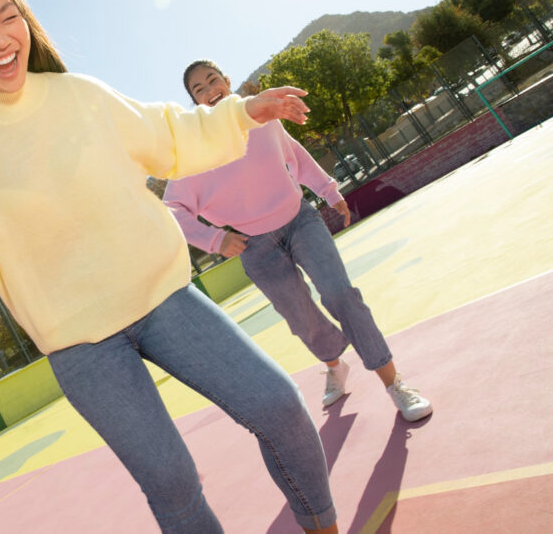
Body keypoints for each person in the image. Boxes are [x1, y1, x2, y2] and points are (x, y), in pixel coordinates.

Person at [0, 0, 338, 533]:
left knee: (283, 409)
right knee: (172, 481)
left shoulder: (78, 95)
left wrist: (243, 111)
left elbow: (170, 133)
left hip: (165, 297)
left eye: (8, 16)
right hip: (80, 347)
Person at [163, 61, 433, 422]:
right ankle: (335, 365)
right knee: (301, 318)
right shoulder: (193, 151)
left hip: (300, 221)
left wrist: (328, 189)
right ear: (195, 102)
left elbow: (296, 156)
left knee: (340, 295)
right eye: (199, 88)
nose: (210, 89)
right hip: (254, 247)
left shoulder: (262, 116)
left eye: (213, 80)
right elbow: (173, 208)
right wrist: (214, 239)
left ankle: (395, 384)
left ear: (228, 83)